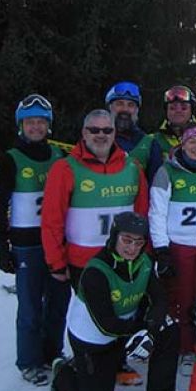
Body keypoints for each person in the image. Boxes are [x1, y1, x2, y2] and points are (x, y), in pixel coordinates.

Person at [49, 213, 184, 391]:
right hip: (93, 341)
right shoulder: (96, 272)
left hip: (122, 333)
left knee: (169, 328)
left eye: (138, 242)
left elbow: (159, 299)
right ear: (114, 237)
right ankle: (63, 374)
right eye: (126, 240)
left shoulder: (144, 262)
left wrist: (150, 326)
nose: (132, 248)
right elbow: (106, 325)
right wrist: (141, 330)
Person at [0, 94, 68, 386]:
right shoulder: (10, 159)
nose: (35, 128)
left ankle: (52, 353)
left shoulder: (59, 155)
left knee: (59, 301)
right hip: (27, 243)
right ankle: (29, 360)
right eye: (30, 123)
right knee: (30, 304)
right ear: (20, 126)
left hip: (57, 242)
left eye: (41, 122)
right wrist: (3, 246)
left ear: (48, 126)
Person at [42, 109, 148, 287]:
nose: (101, 135)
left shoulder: (132, 167)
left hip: (125, 259)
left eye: (107, 130)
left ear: (114, 133)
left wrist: (145, 253)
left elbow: (142, 213)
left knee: (125, 313)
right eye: (94, 130)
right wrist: (56, 263)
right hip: (83, 263)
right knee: (86, 314)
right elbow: (52, 220)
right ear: (84, 132)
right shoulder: (65, 169)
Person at [148, 123, 196, 358]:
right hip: (179, 245)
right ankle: (183, 348)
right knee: (181, 299)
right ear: (182, 144)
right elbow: (157, 213)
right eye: (192, 142)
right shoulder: (168, 172)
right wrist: (162, 249)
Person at [105, 81, 162, 183]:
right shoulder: (96, 138)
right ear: (110, 107)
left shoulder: (150, 145)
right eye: (119, 104)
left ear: (137, 110)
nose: (125, 109)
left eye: (131, 105)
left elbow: (156, 189)